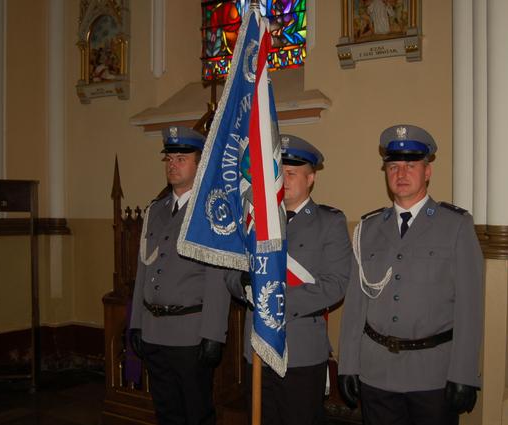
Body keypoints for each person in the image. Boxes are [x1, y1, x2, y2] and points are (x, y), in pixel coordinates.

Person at [338, 124, 483, 425]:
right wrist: (348, 365)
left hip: (432, 374)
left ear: (427, 171)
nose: (401, 173)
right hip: (376, 371)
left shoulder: (456, 225)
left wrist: (464, 374)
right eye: (393, 166)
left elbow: (469, 307)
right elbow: (355, 306)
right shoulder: (368, 229)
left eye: (411, 165)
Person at [228, 134, 352, 425]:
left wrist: (272, 300)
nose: (283, 180)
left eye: (292, 173)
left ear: (311, 178)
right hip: (257, 347)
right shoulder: (254, 220)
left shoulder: (329, 222)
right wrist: (243, 285)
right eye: (279, 172)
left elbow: (335, 284)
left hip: (301, 352)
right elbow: (229, 272)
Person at [128, 125, 232, 425]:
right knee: (166, 413)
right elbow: (144, 268)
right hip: (154, 331)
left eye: (181, 159)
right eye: (169, 158)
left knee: (197, 413)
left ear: (199, 165)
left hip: (190, 334)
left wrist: (214, 334)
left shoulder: (211, 211)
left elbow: (217, 277)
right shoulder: (155, 210)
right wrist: (136, 323)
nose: (172, 164)